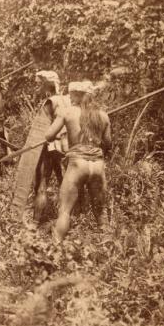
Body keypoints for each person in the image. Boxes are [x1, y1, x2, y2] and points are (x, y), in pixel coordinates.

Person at [44, 81, 112, 243]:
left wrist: (64, 133)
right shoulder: (103, 115)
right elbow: (107, 144)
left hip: (77, 164)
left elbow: (48, 136)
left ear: (75, 94)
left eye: (70, 93)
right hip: (97, 165)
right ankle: (110, 249)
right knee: (101, 213)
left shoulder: (67, 112)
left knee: (65, 211)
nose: (69, 96)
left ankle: (55, 249)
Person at [33, 70, 72, 221]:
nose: (37, 87)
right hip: (67, 147)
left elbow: (42, 130)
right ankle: (72, 219)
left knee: (42, 184)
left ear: (46, 85)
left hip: (51, 147)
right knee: (67, 183)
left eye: (39, 84)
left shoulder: (49, 102)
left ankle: (36, 222)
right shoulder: (68, 100)